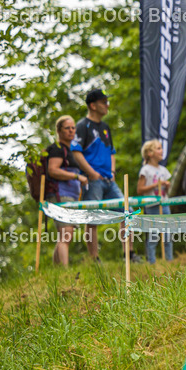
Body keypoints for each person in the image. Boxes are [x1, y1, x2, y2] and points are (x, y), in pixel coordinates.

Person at [70, 88, 124, 262]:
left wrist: (113, 171)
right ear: (92, 105)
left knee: (127, 212)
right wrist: (91, 173)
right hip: (93, 181)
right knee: (92, 218)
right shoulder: (82, 126)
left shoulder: (106, 127)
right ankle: (95, 259)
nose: (107, 105)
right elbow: (76, 152)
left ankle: (129, 254)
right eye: (103, 102)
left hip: (109, 179)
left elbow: (112, 152)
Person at [45, 115, 88, 266]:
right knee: (66, 235)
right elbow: (53, 171)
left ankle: (57, 271)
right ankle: (65, 271)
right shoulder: (57, 149)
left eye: (73, 128)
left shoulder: (71, 150)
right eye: (67, 128)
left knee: (64, 235)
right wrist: (76, 176)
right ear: (59, 131)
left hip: (71, 197)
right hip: (60, 195)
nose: (71, 131)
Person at [137, 139, 173, 264]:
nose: (161, 150)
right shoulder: (145, 170)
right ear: (150, 153)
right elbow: (140, 189)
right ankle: (151, 261)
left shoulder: (163, 169)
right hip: (152, 206)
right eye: (158, 148)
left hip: (164, 204)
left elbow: (168, 189)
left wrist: (167, 185)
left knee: (167, 232)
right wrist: (155, 185)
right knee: (153, 234)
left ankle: (169, 260)